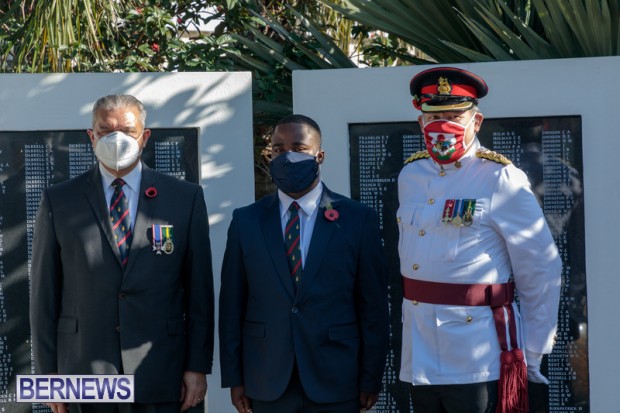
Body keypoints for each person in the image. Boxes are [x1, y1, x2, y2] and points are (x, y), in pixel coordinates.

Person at [30, 94, 215, 413]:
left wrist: (197, 368)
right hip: (84, 373)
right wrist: (48, 376)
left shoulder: (185, 198)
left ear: (144, 137)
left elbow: (199, 292)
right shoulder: (59, 200)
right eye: (105, 130)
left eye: (127, 131)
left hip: (161, 370)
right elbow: (44, 293)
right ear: (91, 136)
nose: (116, 139)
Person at [398, 67, 562, 413]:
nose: (443, 125)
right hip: (419, 351)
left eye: (455, 116)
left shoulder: (500, 177)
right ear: (421, 123)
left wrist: (533, 350)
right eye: (435, 116)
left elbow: (540, 267)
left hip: (477, 352)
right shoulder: (411, 174)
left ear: (476, 122)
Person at [219, 114, 389, 413]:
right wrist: (235, 377)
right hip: (267, 380)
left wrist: (371, 377)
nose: (288, 157)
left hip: (337, 377)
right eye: (279, 149)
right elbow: (232, 304)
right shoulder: (246, 220)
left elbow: (373, 305)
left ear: (318, 156)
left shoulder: (357, 219)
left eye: (298, 148)